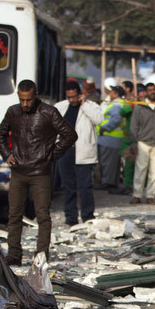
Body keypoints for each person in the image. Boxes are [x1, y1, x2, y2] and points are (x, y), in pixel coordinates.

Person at [0, 79, 77, 265]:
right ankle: (14, 254)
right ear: (18, 97)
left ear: (36, 96)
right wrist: (6, 154)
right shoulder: (13, 112)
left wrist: (51, 155)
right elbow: (0, 134)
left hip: (40, 172)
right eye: (22, 100)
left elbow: (70, 135)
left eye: (29, 100)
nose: (25, 104)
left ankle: (41, 256)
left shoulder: (49, 112)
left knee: (42, 216)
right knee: (14, 215)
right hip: (18, 171)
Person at [55, 81, 103, 225]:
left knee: (85, 187)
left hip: (83, 151)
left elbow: (99, 119)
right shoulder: (60, 106)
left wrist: (84, 105)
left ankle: (88, 216)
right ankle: (71, 217)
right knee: (68, 186)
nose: (71, 100)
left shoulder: (90, 106)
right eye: (69, 97)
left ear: (79, 94)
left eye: (74, 96)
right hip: (65, 151)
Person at [96, 84, 127, 190]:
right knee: (111, 162)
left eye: (112, 92)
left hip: (110, 138)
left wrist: (104, 128)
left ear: (116, 94)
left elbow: (116, 119)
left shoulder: (117, 104)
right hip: (110, 138)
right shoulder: (117, 103)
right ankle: (110, 182)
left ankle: (107, 182)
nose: (110, 93)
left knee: (107, 162)